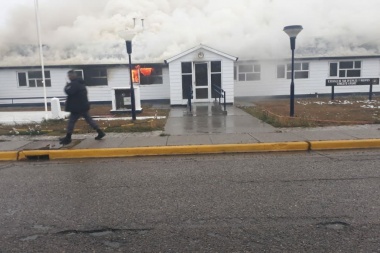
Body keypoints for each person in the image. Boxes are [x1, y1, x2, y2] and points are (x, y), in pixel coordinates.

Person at [59, 70, 105, 145]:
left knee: (71, 122)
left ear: (73, 76)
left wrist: (67, 86)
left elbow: (69, 91)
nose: (69, 77)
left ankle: (68, 138)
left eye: (69, 76)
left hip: (77, 107)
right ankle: (100, 132)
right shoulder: (80, 83)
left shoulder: (74, 84)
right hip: (83, 106)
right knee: (89, 120)